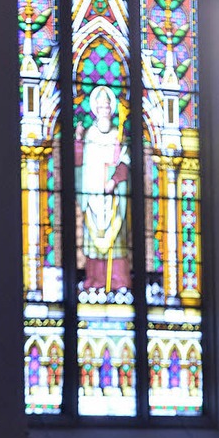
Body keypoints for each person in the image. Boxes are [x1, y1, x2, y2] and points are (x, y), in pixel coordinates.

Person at [76, 84, 131, 292]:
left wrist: (114, 180)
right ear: (95, 110)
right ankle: (95, 281)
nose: (104, 111)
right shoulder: (90, 135)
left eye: (107, 107)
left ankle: (118, 282)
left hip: (113, 197)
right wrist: (79, 139)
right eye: (100, 108)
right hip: (93, 196)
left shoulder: (118, 136)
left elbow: (125, 162)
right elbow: (79, 162)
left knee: (117, 240)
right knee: (93, 241)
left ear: (112, 109)